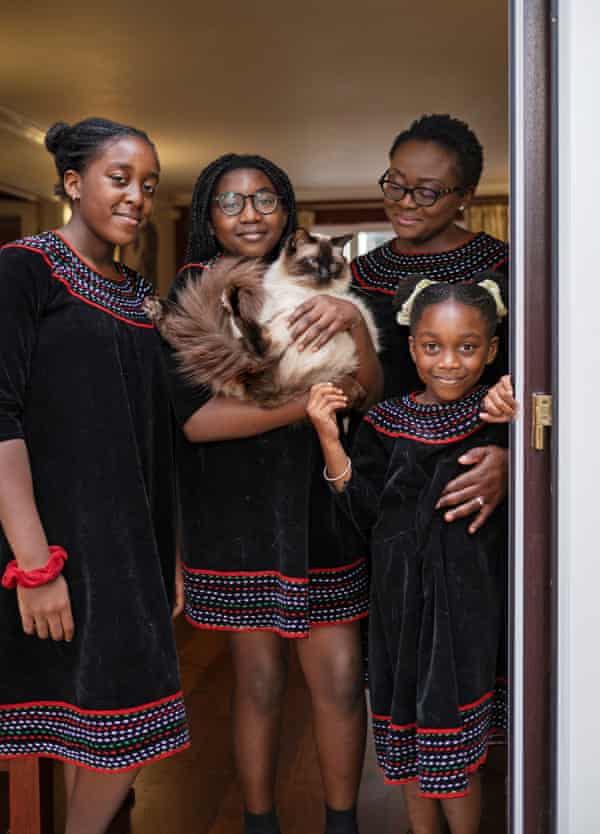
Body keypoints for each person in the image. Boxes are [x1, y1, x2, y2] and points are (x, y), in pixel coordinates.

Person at [166, 153, 383, 834]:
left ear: (288, 210)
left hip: (324, 504)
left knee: (342, 678)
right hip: (237, 512)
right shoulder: (195, 292)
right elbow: (197, 421)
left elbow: (370, 390)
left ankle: (342, 823)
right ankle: (260, 823)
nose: (250, 213)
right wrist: (308, 406)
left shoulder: (329, 281)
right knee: (257, 683)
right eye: (230, 202)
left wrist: (347, 324)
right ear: (208, 217)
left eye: (264, 198)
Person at [0, 118, 189, 834]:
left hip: (127, 551)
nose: (138, 196)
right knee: (106, 727)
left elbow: (154, 438)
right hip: (53, 546)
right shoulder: (25, 269)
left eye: (148, 184)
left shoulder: (140, 293)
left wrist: (164, 552)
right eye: (120, 179)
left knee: (118, 729)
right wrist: (34, 564)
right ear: (73, 185)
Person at [307, 277, 517, 834]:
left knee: (454, 757)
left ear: (492, 350)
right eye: (432, 346)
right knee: (411, 754)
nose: (448, 362)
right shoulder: (386, 422)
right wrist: (330, 439)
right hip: (399, 614)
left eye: (467, 347)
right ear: (411, 348)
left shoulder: (501, 415)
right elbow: (364, 514)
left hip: (466, 613)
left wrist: (510, 431)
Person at [351, 114, 509, 535]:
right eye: (396, 184)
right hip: (381, 479)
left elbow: (538, 387)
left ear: (466, 196)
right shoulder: (357, 277)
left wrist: (513, 458)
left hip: (469, 478)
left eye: (427, 192)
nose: (404, 202)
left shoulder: (506, 270)